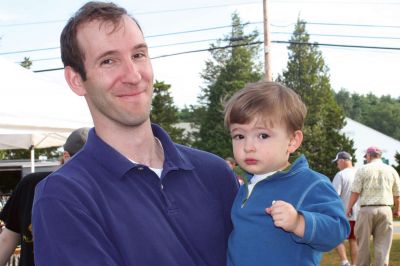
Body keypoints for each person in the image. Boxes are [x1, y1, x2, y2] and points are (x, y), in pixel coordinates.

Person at [31, 2, 238, 265]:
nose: (133, 75)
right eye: (108, 61)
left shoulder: (215, 174)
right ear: (76, 80)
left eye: (138, 55)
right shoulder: (64, 196)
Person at [224, 81, 349, 266]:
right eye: (239, 136)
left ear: (292, 140)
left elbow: (337, 230)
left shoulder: (311, 184)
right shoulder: (246, 187)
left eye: (263, 136)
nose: (248, 147)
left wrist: (298, 222)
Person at [0, 127, 89, 266]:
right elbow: (7, 238)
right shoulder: (31, 185)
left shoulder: (99, 195)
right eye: (85, 162)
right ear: (66, 157)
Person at [346, 146, 400, 266]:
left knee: (363, 245)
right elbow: (397, 194)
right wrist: (397, 210)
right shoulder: (391, 170)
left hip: (367, 210)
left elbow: (355, 191)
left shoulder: (363, 169)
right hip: (385, 210)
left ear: (369, 156)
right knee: (383, 245)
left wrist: (349, 208)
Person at [331, 151, 359, 266]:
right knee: (354, 240)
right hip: (359, 214)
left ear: (342, 161)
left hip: (343, 214)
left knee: (336, 237)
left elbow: (334, 196)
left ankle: (344, 261)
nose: (337, 165)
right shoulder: (360, 172)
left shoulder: (340, 175)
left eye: (337, 162)